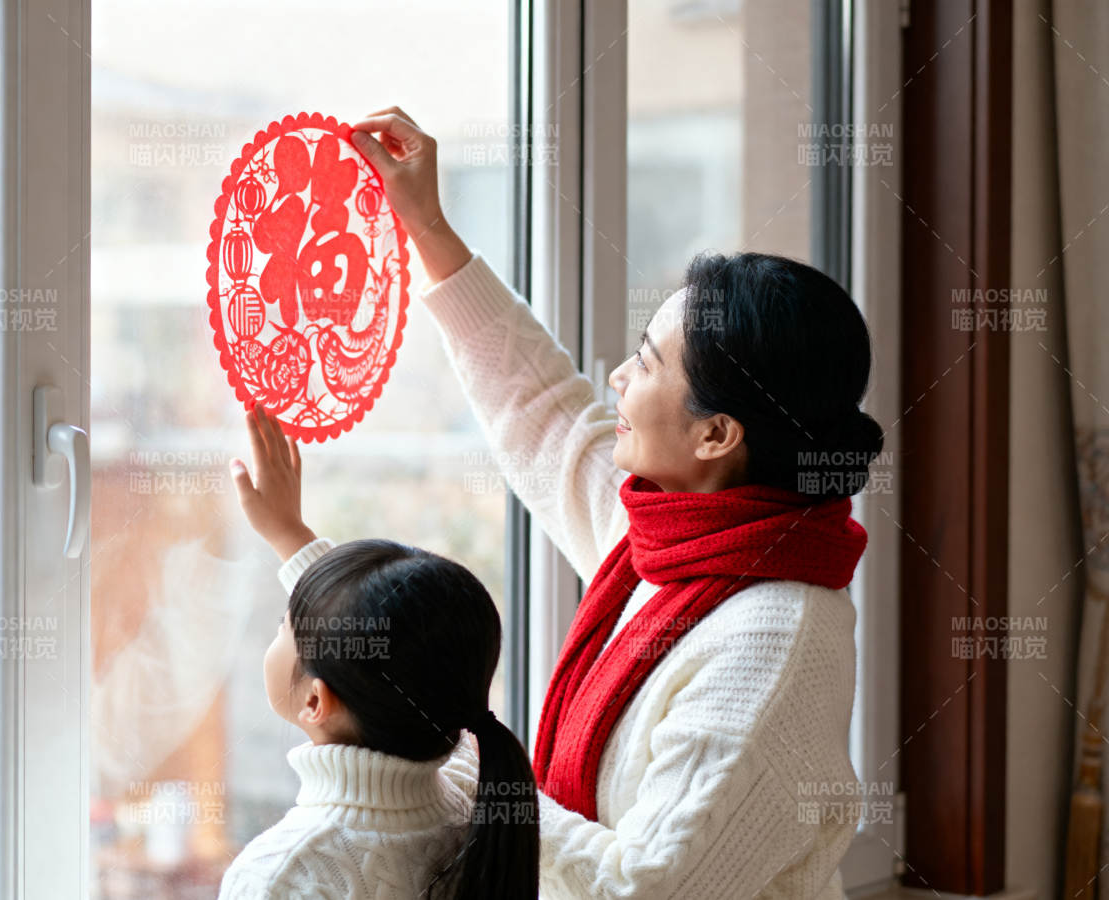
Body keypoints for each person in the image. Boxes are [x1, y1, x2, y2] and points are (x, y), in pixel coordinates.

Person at [228, 106, 882, 899]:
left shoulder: (771, 641)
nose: (617, 381)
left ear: (717, 434)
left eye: (645, 364)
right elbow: (537, 408)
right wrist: (427, 227)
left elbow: (644, 889)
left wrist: (445, 750)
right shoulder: (677, 533)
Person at [219, 413, 539, 899]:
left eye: (283, 626)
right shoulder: (475, 811)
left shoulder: (279, 877)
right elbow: (414, 645)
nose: (276, 630)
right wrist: (291, 535)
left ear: (314, 702)